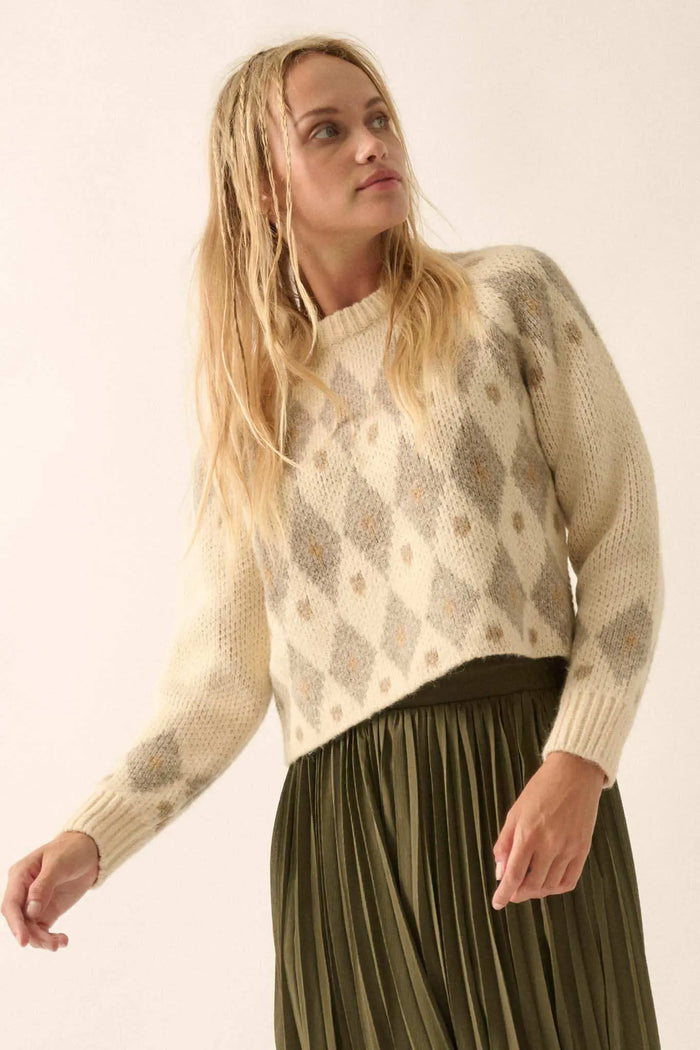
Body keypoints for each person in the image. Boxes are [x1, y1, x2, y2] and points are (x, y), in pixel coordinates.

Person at [2, 34, 664, 1050]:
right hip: (343, 836)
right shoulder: (251, 421)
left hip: (519, 785)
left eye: (378, 117)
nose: (371, 144)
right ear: (263, 188)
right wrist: (94, 837)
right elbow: (216, 687)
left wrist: (580, 759)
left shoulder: (510, 298)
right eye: (327, 130)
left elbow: (623, 540)